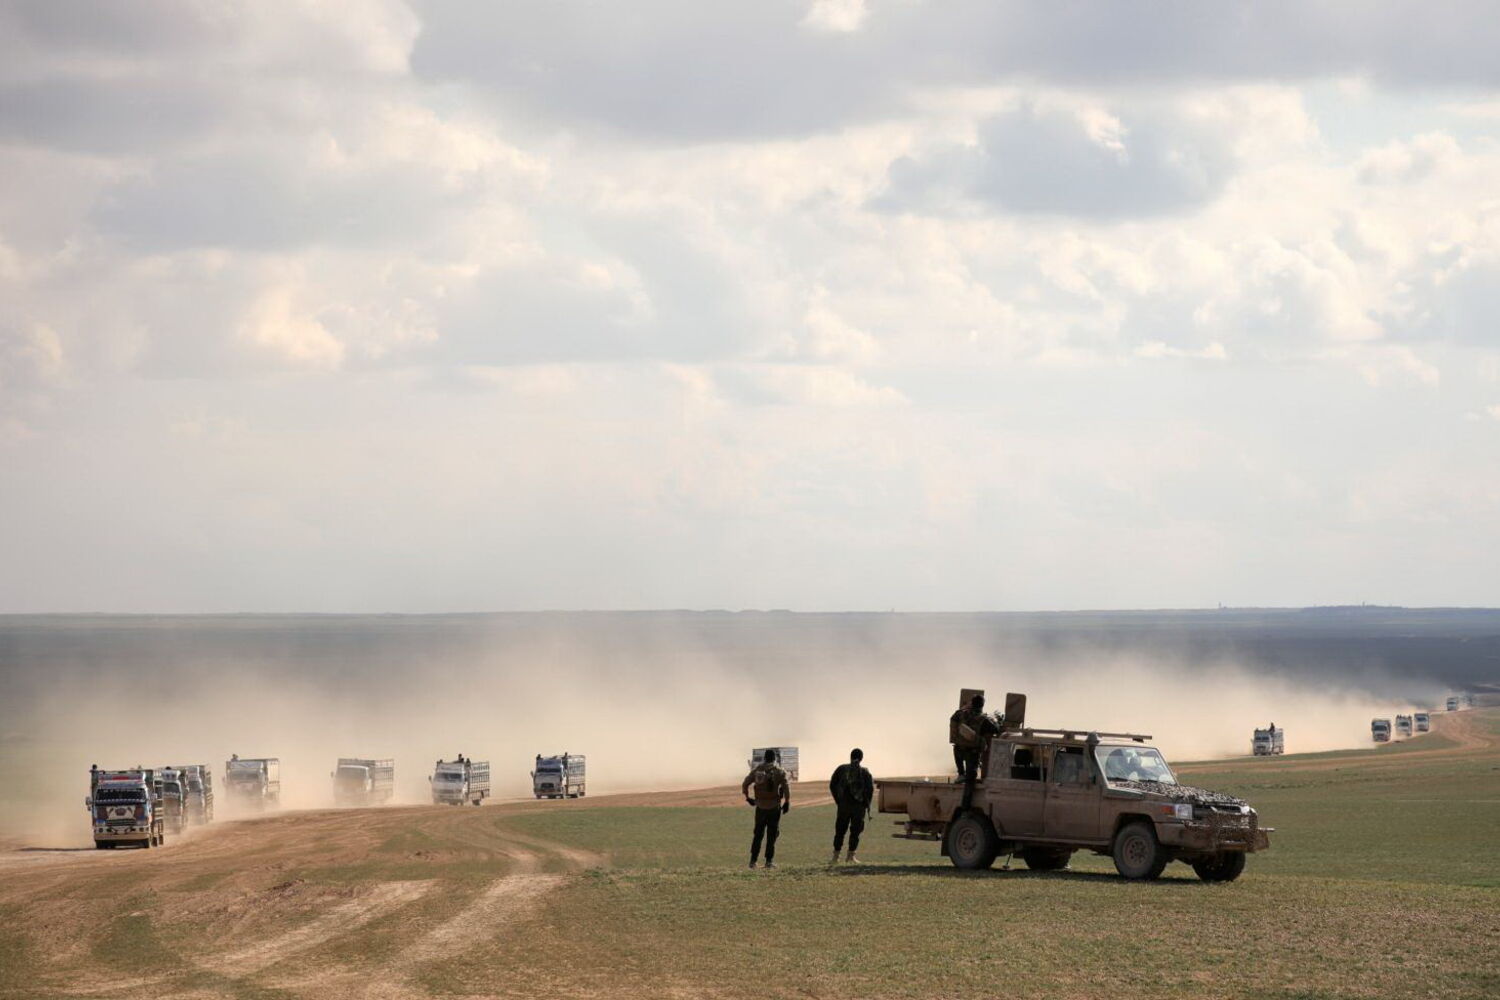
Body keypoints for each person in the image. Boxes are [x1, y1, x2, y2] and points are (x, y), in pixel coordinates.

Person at [741, 748, 791, 869]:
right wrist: (787, 802)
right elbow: (786, 788)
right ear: (774, 758)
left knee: (758, 834)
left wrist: (748, 798)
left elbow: (745, 784)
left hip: (760, 807)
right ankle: (769, 861)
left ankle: (753, 861)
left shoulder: (757, 770)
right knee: (772, 835)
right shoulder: (779, 771)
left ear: (764, 758)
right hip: (774, 807)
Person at [828, 748, 874, 864]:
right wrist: (866, 804)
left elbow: (832, 785)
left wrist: (838, 800)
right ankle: (850, 856)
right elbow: (870, 790)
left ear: (850, 756)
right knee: (855, 832)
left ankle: (835, 857)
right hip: (858, 807)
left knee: (840, 831)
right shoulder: (864, 772)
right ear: (861, 758)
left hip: (843, 806)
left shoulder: (841, 769)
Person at [950, 693, 1000, 780]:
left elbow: (953, 719)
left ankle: (961, 774)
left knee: (958, 749)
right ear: (982, 705)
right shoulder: (983, 719)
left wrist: (965, 708)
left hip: (959, 750)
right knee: (971, 778)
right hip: (972, 751)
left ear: (971, 703)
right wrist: (994, 720)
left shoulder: (959, 714)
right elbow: (996, 729)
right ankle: (967, 780)